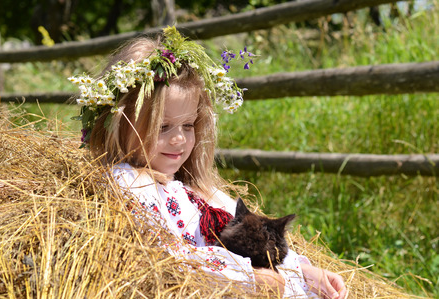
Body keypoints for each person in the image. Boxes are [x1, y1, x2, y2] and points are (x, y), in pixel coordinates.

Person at [69, 26, 347, 299]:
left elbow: (259, 246)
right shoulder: (131, 183)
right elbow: (165, 258)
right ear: (122, 124)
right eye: (163, 127)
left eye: (188, 125)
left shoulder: (199, 191)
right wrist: (248, 278)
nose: (179, 139)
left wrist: (305, 273)